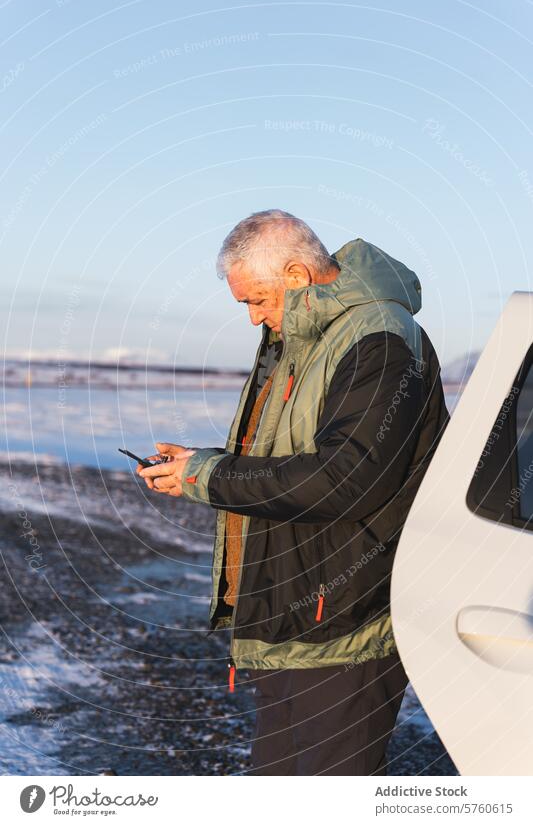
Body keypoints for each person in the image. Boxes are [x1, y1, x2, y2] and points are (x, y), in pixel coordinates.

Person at [137, 209, 449, 775]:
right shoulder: (304, 337)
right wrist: (200, 467)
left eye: (257, 300)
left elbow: (344, 478)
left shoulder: (380, 338)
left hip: (344, 619)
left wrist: (209, 477)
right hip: (295, 613)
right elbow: (285, 457)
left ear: (299, 276)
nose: (254, 318)